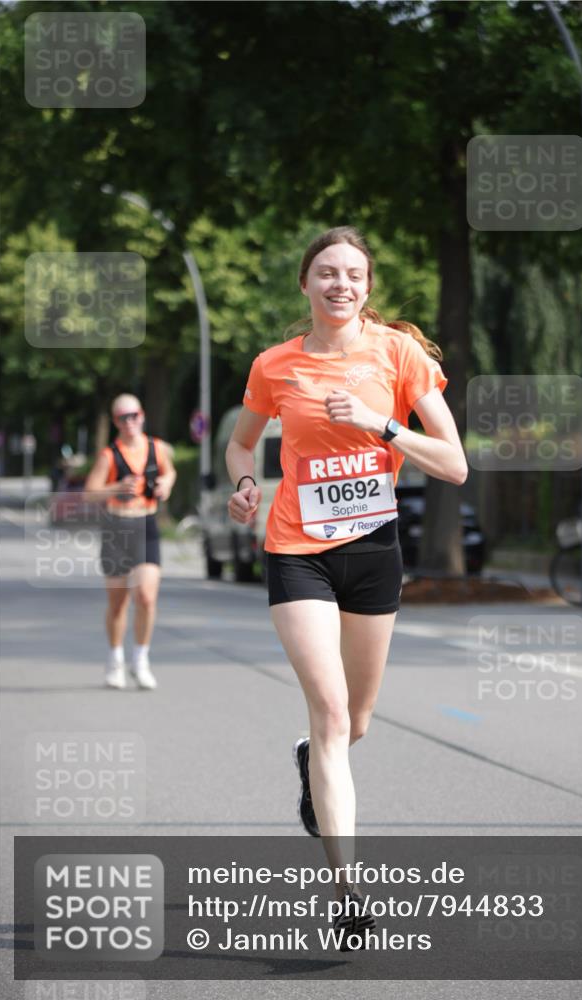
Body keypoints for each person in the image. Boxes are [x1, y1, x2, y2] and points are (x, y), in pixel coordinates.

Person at [226, 226, 467, 944]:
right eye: (326, 273)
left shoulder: (397, 354)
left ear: (367, 287)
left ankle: (310, 765)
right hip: (296, 550)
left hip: (372, 552)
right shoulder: (274, 364)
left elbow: (454, 464)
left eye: (353, 275)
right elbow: (243, 440)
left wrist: (378, 424)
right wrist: (245, 485)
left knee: (354, 723)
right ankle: (347, 891)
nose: (340, 285)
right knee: (330, 714)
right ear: (305, 284)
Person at [84, 394, 176, 690]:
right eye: (123, 418)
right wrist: (115, 487)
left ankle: (141, 659)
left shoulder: (157, 448)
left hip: (146, 523)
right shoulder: (109, 456)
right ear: (115, 422)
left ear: (142, 415)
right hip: (117, 527)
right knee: (119, 602)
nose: (129, 422)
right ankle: (115, 660)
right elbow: (89, 494)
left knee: (147, 596)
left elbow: (170, 471)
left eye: (133, 415)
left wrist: (167, 484)